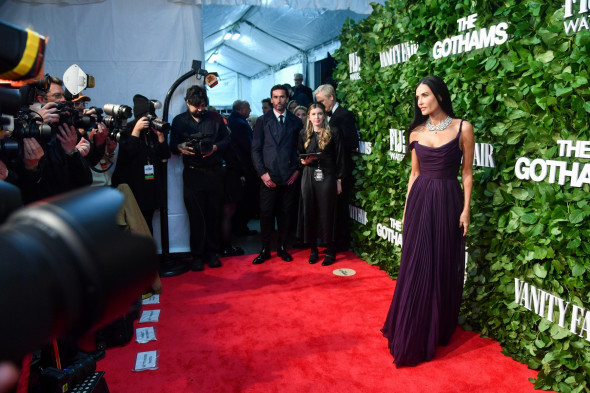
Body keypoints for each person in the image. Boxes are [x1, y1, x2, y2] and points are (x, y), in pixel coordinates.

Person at [381, 75, 475, 368]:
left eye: (424, 95)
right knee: (418, 263)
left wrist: (466, 209)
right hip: (421, 202)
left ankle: (437, 325)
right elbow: (414, 174)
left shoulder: (464, 128)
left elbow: (467, 173)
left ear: (440, 96)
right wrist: (407, 210)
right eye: (417, 97)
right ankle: (413, 330)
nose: (419, 102)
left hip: (448, 201)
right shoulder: (416, 133)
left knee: (442, 262)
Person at [170, 85, 230, 271]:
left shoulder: (215, 118)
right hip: (192, 173)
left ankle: (212, 253)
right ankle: (197, 255)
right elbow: (172, 146)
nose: (200, 109)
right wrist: (180, 147)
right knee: (195, 216)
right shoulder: (179, 121)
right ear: (187, 103)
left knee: (213, 214)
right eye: (196, 106)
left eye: (203, 105)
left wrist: (215, 148)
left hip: (214, 173)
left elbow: (226, 141)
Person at [251, 84, 303, 264]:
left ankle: (282, 247)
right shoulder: (262, 121)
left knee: (285, 214)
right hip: (268, 177)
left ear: (287, 99)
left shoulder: (296, 122)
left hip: (289, 176)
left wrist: (297, 171)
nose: (279, 100)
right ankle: (265, 249)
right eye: (275, 97)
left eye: (282, 97)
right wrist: (262, 174)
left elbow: (301, 149)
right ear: (271, 99)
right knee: (266, 214)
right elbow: (255, 149)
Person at [111, 94, 171, 233]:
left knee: (147, 224)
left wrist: (161, 137)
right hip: (134, 188)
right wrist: (136, 131)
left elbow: (165, 155)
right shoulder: (127, 130)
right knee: (133, 225)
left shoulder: (152, 132)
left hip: (150, 187)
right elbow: (129, 152)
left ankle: (149, 252)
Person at [297, 103, 345, 266]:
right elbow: (298, 155)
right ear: (309, 117)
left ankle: (330, 251)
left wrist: (339, 180)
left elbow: (340, 158)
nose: (316, 117)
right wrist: (303, 161)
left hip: (328, 175)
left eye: (319, 114)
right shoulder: (303, 133)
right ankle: (313, 250)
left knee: (327, 213)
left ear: (324, 116)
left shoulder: (334, 132)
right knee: (309, 211)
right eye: (313, 114)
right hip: (309, 175)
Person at [315, 84, 359, 252]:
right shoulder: (325, 116)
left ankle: (339, 244)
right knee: (329, 207)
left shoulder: (344, 116)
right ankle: (330, 241)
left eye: (321, 101)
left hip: (340, 169)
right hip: (327, 169)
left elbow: (352, 142)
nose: (319, 105)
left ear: (331, 97)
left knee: (339, 208)